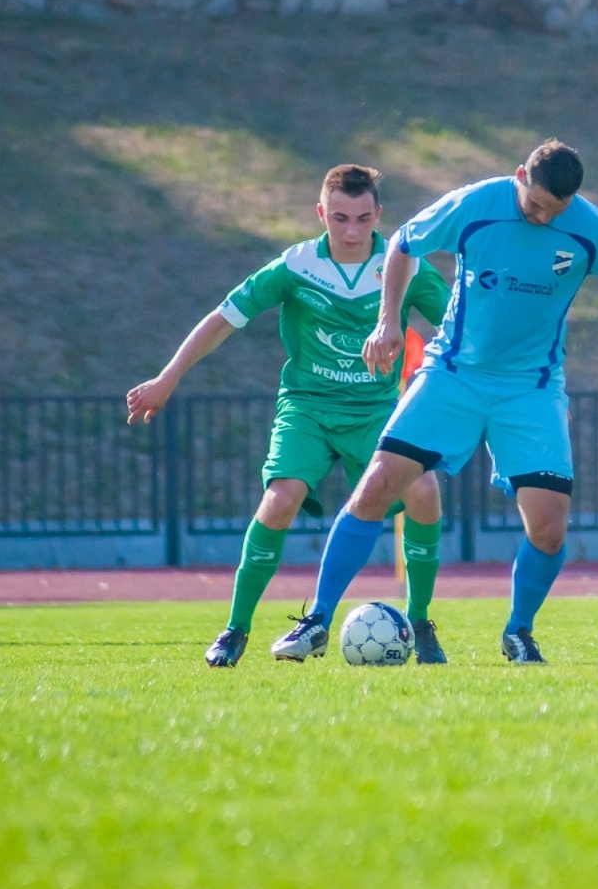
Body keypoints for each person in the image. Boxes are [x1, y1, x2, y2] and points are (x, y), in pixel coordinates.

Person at [269, 139, 598, 665]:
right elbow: (405, 245)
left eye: (555, 210)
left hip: (531, 388)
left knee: (548, 528)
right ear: (520, 174)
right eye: (535, 203)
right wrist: (388, 321)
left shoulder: (594, 230)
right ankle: (316, 620)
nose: (542, 216)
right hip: (453, 374)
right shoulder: (475, 204)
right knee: (376, 486)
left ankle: (519, 632)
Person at [127, 165, 451, 667]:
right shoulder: (296, 266)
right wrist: (167, 378)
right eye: (339, 218)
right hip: (306, 407)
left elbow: (459, 323)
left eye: (363, 219)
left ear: (378, 216)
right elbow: (222, 319)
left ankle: (421, 621)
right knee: (280, 500)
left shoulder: (402, 265)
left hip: (375, 412)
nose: (350, 231)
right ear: (321, 213)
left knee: (425, 491)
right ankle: (236, 628)